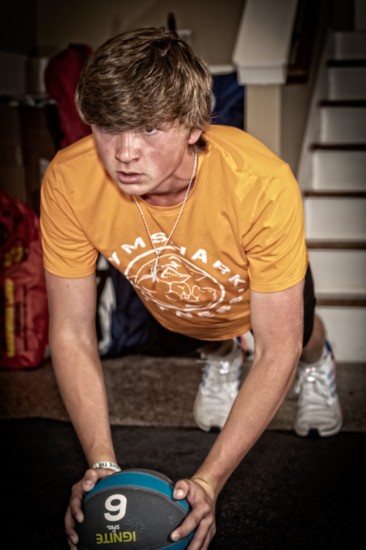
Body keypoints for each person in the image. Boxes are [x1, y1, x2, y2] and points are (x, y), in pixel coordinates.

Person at [40, 27, 342, 550]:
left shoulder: (262, 183)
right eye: (109, 127)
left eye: (151, 129)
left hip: (254, 300)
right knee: (190, 310)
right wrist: (102, 469)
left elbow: (275, 348)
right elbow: (69, 333)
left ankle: (322, 364)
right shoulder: (69, 179)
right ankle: (221, 353)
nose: (125, 153)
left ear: (195, 126)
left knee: (299, 337)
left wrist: (209, 481)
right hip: (178, 305)